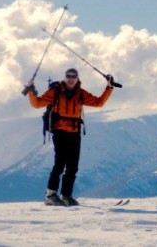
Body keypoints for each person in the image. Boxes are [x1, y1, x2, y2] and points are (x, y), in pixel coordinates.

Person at [26, 68, 114, 206]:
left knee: (72, 167)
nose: (71, 79)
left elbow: (99, 102)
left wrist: (109, 87)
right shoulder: (55, 91)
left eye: (73, 76)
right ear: (65, 77)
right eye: (68, 76)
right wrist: (31, 91)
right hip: (59, 131)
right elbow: (37, 104)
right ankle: (50, 195)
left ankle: (66, 196)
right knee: (60, 164)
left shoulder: (80, 93)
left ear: (77, 78)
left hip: (74, 132)